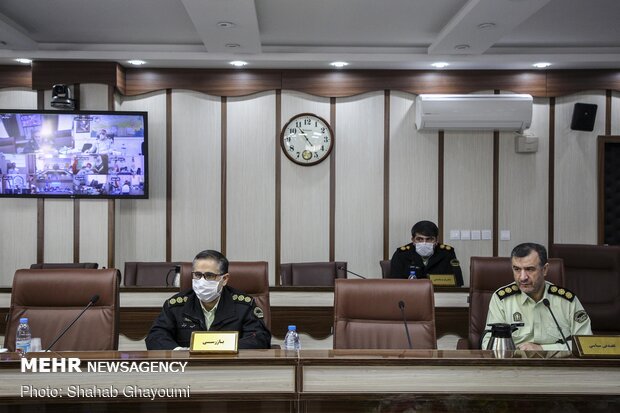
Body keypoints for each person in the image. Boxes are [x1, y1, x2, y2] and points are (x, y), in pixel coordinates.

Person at [146, 249, 272, 350]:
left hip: (229, 369)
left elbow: (260, 338)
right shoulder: (175, 306)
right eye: (197, 275)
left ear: (225, 279)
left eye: (209, 276)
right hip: (187, 369)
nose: (202, 281)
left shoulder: (244, 305)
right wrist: (178, 351)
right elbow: (155, 337)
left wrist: (222, 349)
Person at [482, 243, 592, 351]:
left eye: (529, 269)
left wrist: (542, 349)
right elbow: (488, 343)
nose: (522, 277)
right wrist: (518, 352)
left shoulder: (567, 301)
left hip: (557, 365)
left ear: (545, 270)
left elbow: (586, 344)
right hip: (515, 365)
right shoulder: (502, 299)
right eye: (517, 269)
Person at [389, 220, 464, 286]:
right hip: (409, 294)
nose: (424, 243)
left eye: (429, 239)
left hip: (440, 295)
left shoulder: (447, 253)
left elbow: (458, 282)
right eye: (419, 239)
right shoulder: (401, 254)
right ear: (413, 240)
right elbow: (394, 283)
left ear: (436, 240)